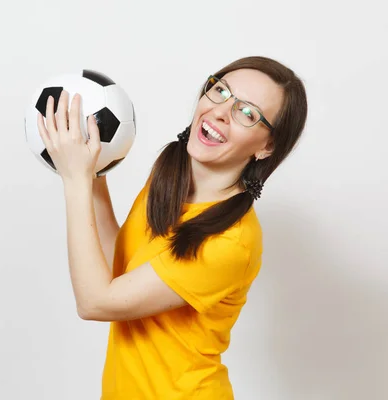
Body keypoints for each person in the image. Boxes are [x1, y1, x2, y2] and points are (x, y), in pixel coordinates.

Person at [36, 55, 308, 399]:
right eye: (221, 91)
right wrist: (93, 171)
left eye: (248, 113)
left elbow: (95, 302)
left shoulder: (232, 241)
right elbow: (118, 274)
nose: (221, 111)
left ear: (267, 146)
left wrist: (75, 180)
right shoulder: (170, 175)